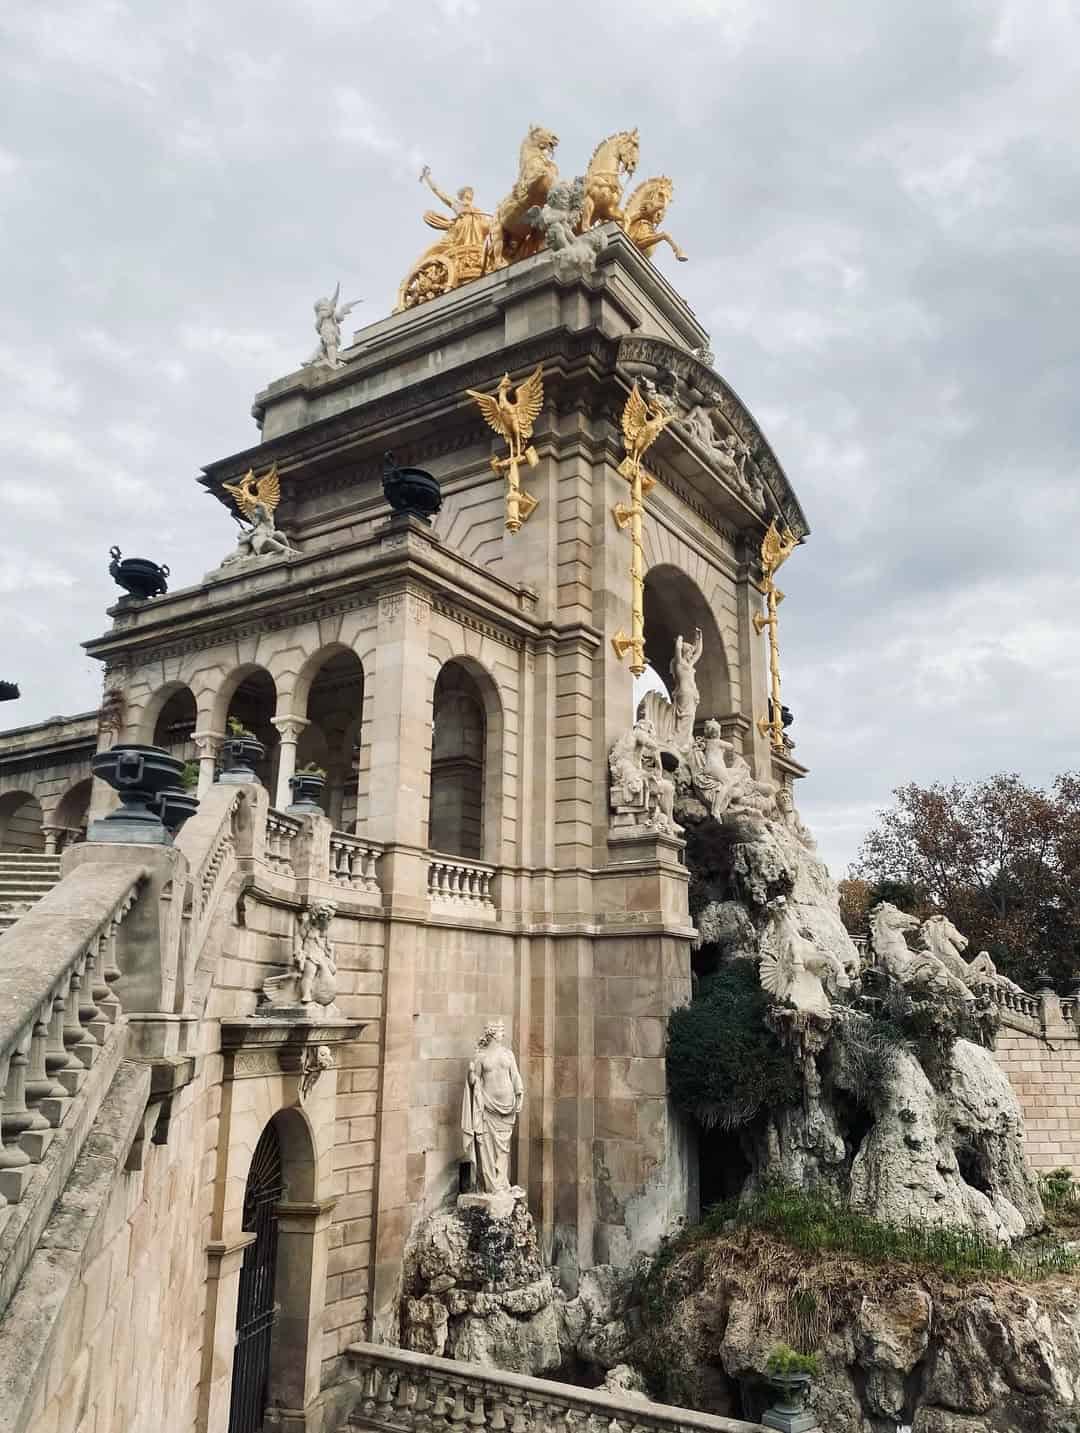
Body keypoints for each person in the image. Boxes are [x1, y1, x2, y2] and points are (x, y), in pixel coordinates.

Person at [461, 1021, 524, 1193]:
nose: (503, 1033)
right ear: (493, 1033)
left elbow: (515, 1075)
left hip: (507, 1106)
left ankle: (501, 1182)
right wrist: (470, 1074)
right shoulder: (481, 1057)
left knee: (504, 1148)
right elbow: (476, 1081)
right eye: (501, 1031)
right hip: (488, 1106)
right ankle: (492, 1187)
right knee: (488, 1147)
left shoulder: (508, 1054)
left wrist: (519, 1093)